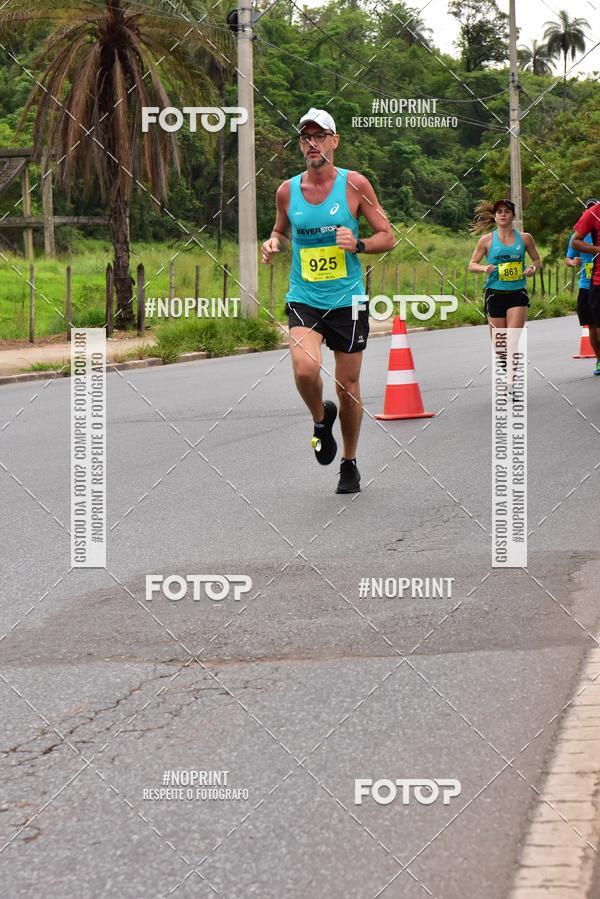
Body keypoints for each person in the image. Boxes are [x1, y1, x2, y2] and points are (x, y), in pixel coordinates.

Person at [260, 108, 395, 494]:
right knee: (305, 370)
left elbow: (387, 236)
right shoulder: (287, 191)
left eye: (320, 136)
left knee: (347, 387)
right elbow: (281, 231)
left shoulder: (354, 185)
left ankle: (349, 462)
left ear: (334, 141)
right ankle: (321, 420)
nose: (312, 143)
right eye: (306, 137)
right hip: (304, 297)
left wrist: (359, 244)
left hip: (348, 301)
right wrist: (273, 243)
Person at [468, 199, 541, 333]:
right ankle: (502, 348)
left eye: (507, 212)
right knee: (500, 343)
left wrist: (532, 268)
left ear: (513, 216)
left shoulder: (525, 238)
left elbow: (537, 260)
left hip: (517, 293)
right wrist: (484, 268)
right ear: (495, 216)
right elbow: (472, 265)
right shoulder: (486, 240)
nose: (503, 214)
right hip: (494, 294)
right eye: (499, 212)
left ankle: (512, 348)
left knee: (512, 339)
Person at [570, 199, 600, 375]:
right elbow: (570, 253)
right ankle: (599, 360)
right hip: (589, 283)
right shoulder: (591, 218)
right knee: (593, 326)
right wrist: (573, 261)